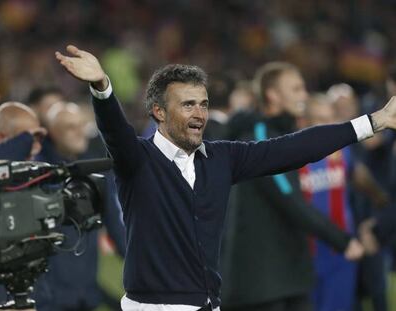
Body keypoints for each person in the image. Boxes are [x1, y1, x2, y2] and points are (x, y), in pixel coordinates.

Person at [55, 44, 396, 311]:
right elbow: (115, 132)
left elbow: (294, 148)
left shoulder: (222, 157)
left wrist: (374, 121)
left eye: (203, 104)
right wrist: (102, 87)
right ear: (158, 112)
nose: (199, 113)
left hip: (209, 303)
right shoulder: (139, 160)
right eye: (188, 104)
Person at [220, 62, 362, 311]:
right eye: (296, 89)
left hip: (286, 277)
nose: (304, 95)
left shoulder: (278, 133)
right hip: (262, 285)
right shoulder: (260, 138)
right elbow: (289, 199)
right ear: (273, 95)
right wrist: (342, 240)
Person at [32, 102, 126, 311]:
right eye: (70, 127)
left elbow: (115, 224)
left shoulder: (94, 170)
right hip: (49, 294)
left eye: (81, 125)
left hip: (85, 291)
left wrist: (140, 262)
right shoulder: (37, 171)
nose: (79, 133)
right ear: (51, 133)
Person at [299, 94, 388, 311]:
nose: (328, 125)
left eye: (331, 118)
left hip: (341, 254)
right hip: (304, 255)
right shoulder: (291, 157)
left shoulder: (341, 151)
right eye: (321, 119)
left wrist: (381, 207)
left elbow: (362, 179)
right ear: (303, 123)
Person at [0, 102, 46, 306]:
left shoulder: (31, 179)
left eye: (38, 139)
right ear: (2, 139)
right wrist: (24, 140)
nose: (36, 146)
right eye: (30, 137)